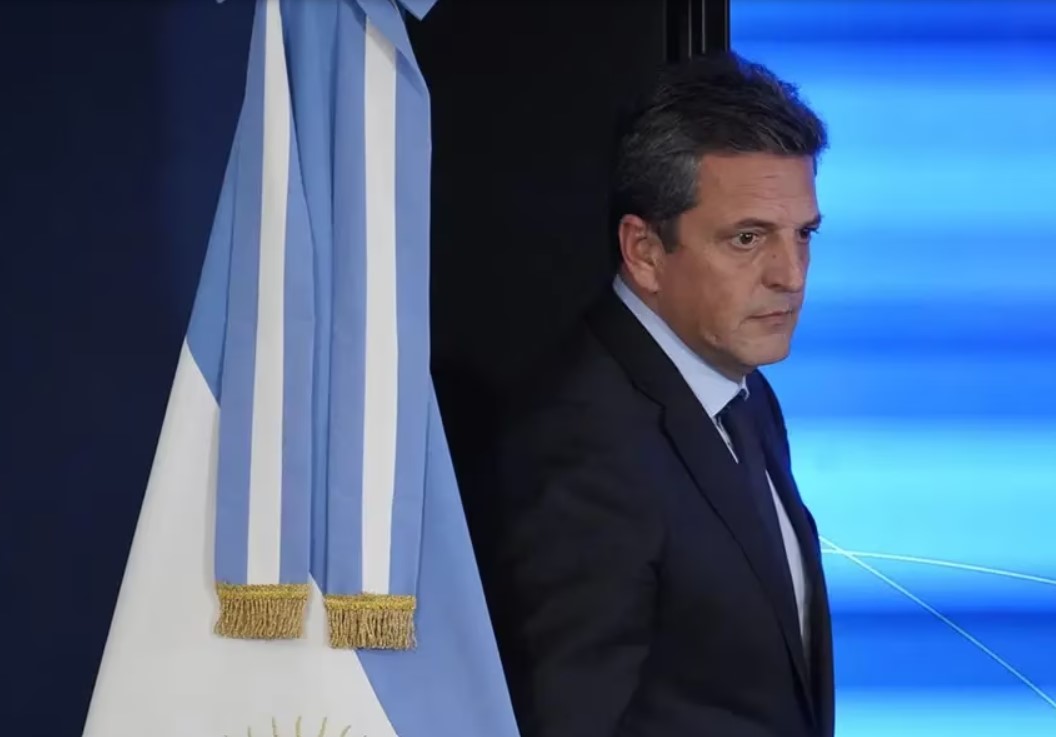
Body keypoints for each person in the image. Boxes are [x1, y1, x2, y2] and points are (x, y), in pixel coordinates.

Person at [485, 52, 834, 737]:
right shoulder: (581, 444)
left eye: (804, 235)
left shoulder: (744, 393)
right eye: (747, 238)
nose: (791, 275)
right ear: (644, 251)